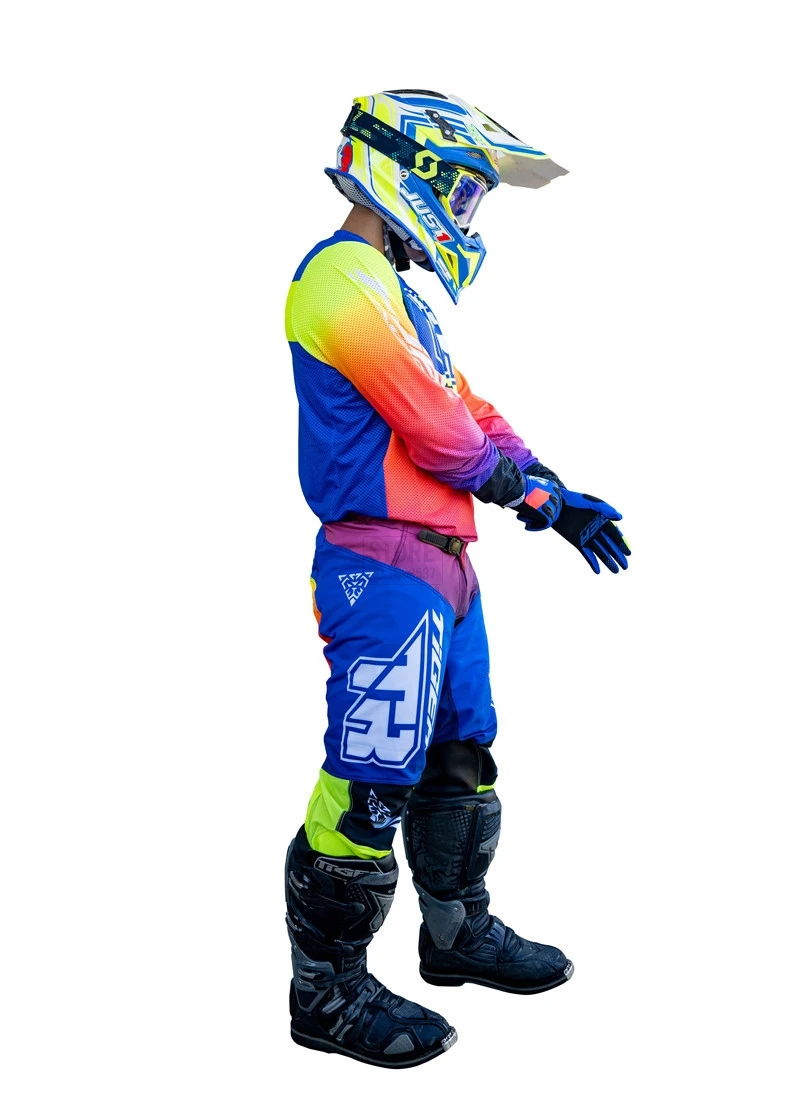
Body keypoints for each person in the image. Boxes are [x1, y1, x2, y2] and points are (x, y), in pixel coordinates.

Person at [283, 89, 631, 1068]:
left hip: (443, 563)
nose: (469, 215)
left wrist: (548, 481)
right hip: (379, 562)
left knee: (461, 754)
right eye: (464, 192)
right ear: (411, 170)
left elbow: (466, 405)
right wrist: (533, 497)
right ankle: (326, 992)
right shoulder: (340, 276)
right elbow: (439, 433)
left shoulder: (394, 296)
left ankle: (453, 933)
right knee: (369, 777)